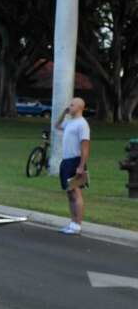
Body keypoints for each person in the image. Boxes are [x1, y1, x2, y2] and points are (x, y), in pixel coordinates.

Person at [55, 97, 90, 235]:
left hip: (75, 160)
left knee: (76, 193)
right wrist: (64, 112)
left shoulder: (82, 124)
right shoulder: (70, 122)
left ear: (80, 108)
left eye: (72, 105)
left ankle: (78, 225)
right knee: (69, 193)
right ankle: (72, 222)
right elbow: (57, 125)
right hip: (66, 160)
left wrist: (81, 166)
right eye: (69, 104)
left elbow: (85, 146)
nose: (69, 106)